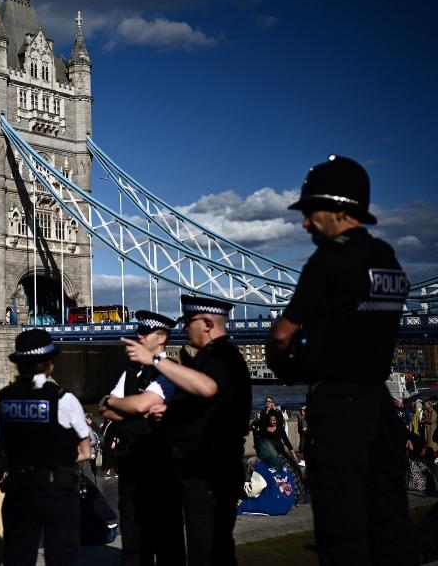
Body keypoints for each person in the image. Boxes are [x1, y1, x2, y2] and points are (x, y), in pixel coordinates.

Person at [267, 154, 414, 566]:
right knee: (389, 522)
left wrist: (288, 361)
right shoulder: (389, 259)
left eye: (311, 212)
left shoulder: (328, 261)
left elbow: (282, 333)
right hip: (380, 408)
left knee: (341, 529)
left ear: (336, 209)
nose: (305, 223)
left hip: (337, 407)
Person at [136, 295, 251, 566]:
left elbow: (207, 388)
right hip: (204, 466)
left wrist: (155, 359)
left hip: (211, 469)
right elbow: (204, 405)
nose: (184, 328)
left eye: (189, 322)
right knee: (210, 545)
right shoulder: (209, 357)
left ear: (208, 323)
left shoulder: (223, 357)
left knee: (208, 548)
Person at [0, 328, 91, 566]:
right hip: (55, 488)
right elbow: (85, 451)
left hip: (18, 488)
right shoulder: (63, 398)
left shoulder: (6, 398)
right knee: (62, 556)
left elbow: (1, 438)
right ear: (50, 364)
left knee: (18, 556)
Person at [99, 310, 184, 565]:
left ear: (162, 338)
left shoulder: (171, 373)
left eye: (145, 332)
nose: (139, 335)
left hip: (162, 468)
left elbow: (137, 404)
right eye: (139, 331)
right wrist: (134, 410)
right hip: (131, 466)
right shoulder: (130, 372)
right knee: (133, 539)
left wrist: (122, 405)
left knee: (166, 540)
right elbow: (104, 407)